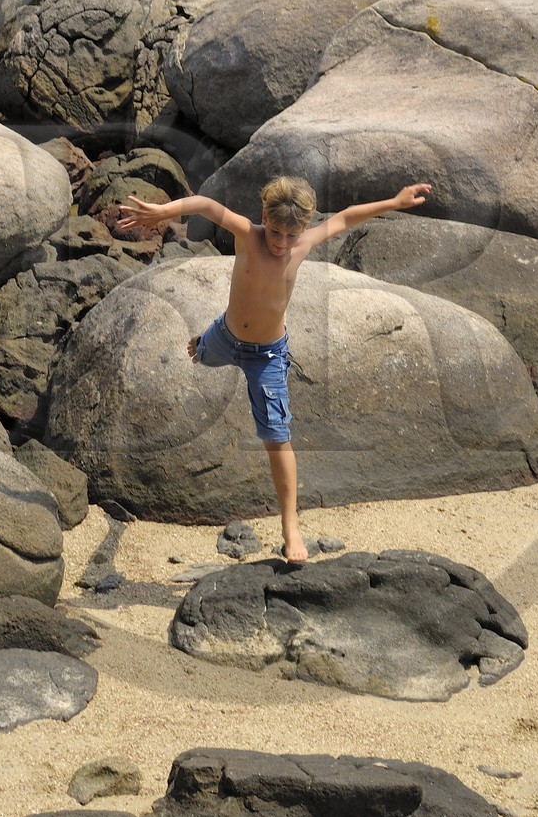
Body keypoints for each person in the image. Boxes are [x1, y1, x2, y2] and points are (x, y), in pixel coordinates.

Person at [119, 177, 433, 563]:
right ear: (264, 216)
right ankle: (203, 342)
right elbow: (205, 206)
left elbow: (347, 217)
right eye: (275, 231)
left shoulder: (302, 244)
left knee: (277, 437)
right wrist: (163, 212)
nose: (281, 242)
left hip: (266, 356)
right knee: (202, 353)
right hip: (226, 336)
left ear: (302, 229)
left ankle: (290, 524)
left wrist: (395, 201)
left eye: (290, 235)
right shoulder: (248, 235)